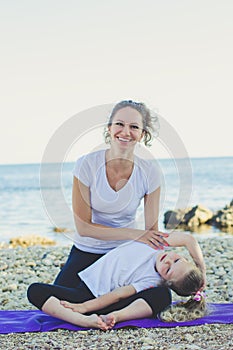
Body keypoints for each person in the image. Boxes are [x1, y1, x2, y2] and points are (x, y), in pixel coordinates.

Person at [28, 100, 172, 316]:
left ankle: (94, 308)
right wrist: (135, 234)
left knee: (163, 296)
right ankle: (105, 306)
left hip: (124, 255)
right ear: (109, 129)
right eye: (119, 124)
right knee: (54, 298)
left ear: (142, 134)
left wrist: (173, 265)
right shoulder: (87, 165)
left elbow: (152, 232)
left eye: (134, 127)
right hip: (87, 250)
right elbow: (84, 228)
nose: (126, 132)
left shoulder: (150, 171)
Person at [27, 231, 206, 330]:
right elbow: (189, 239)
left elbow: (119, 294)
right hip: (84, 279)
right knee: (47, 290)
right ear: (185, 258)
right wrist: (202, 270)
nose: (167, 260)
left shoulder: (151, 280)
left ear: (165, 280)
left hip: (93, 296)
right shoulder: (158, 244)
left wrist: (85, 307)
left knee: (34, 291)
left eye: (168, 269)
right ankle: (84, 316)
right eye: (176, 259)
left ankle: (83, 320)